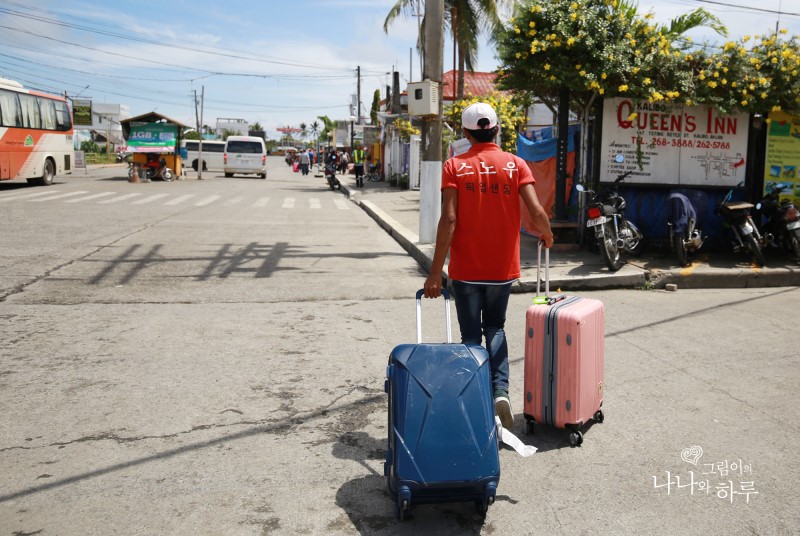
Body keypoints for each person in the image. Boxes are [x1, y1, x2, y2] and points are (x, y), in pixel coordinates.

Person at [423, 101, 554, 430]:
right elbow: (537, 212)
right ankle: (500, 391)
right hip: (501, 270)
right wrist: (547, 234)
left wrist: (436, 271)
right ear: (497, 129)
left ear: (466, 133)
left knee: (470, 336)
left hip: (466, 270)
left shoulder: (455, 166)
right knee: (495, 327)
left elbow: (449, 220)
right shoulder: (516, 165)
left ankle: (474, 397)